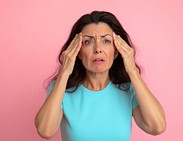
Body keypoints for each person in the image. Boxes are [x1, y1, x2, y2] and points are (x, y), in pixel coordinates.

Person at [34, 11, 166, 141]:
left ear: (116, 51)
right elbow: (46, 131)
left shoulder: (128, 90)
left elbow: (157, 127)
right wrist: (64, 73)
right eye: (88, 42)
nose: (98, 48)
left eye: (106, 41)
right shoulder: (61, 89)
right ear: (77, 52)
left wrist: (132, 71)